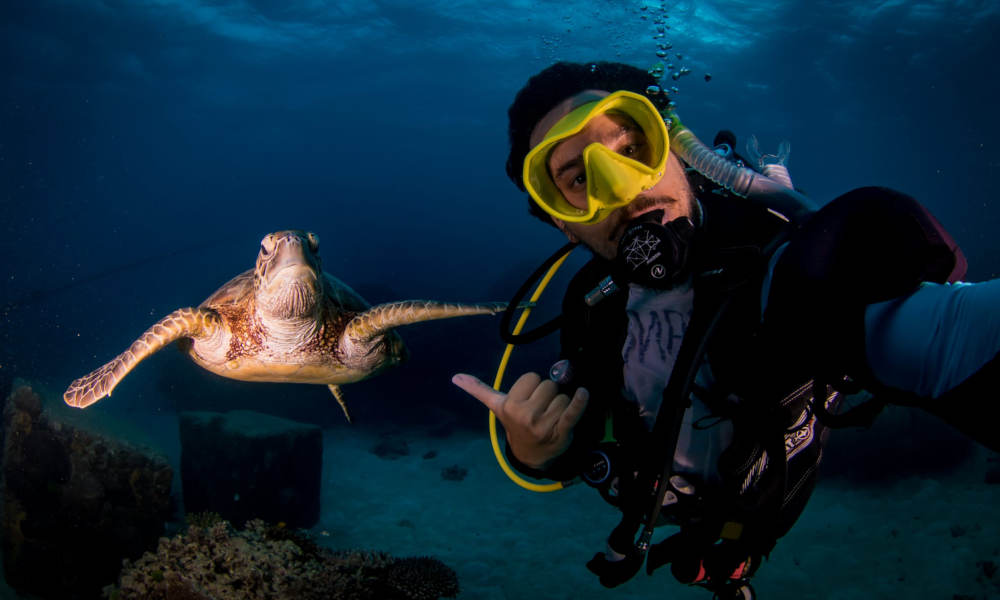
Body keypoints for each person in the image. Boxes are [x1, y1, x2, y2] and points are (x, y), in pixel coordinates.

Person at [452, 61, 1000, 598]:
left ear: (677, 151)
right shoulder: (592, 305)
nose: (623, 188)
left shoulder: (782, 272)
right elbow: (579, 424)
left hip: (758, 507)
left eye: (632, 147)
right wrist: (537, 450)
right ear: (562, 222)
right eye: (576, 178)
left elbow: (948, 334)